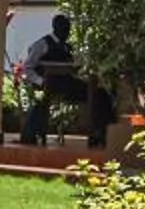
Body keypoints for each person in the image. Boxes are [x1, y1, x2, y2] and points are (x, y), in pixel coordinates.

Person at [18, 13, 112, 149]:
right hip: (50, 84)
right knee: (43, 102)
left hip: (69, 83)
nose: (67, 32)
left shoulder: (68, 46)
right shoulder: (42, 44)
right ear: (56, 27)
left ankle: (102, 133)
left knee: (100, 94)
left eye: (68, 28)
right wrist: (40, 81)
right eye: (64, 28)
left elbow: (73, 66)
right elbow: (28, 68)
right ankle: (31, 133)